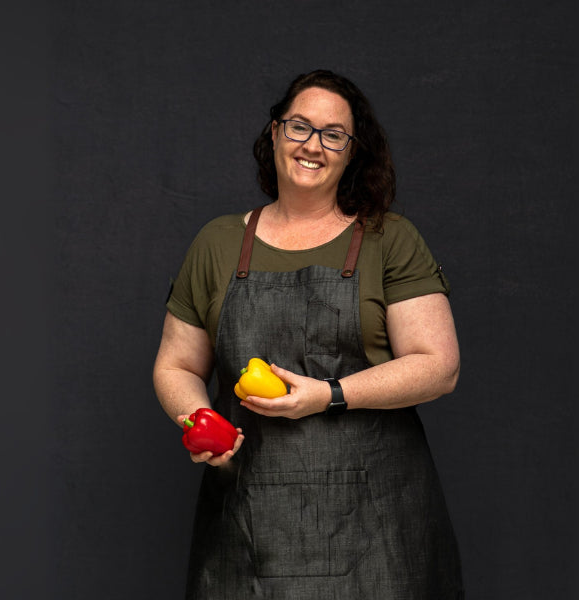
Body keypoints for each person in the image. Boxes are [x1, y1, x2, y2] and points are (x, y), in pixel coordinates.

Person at [153, 69, 463, 599]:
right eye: (300, 127)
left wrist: (330, 395)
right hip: (251, 527)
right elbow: (176, 364)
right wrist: (198, 420)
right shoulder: (219, 242)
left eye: (333, 134)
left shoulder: (389, 239)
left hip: (378, 532)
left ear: (351, 151)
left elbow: (439, 365)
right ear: (275, 133)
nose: (312, 145)